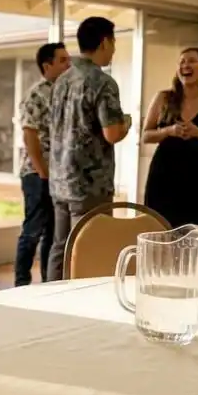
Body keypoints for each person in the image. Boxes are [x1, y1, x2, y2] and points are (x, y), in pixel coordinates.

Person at [45, 16, 131, 281]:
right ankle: (79, 305)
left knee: (60, 246)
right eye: (113, 42)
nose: (114, 49)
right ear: (104, 42)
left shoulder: (61, 80)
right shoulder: (103, 82)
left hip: (60, 179)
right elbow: (113, 133)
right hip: (89, 183)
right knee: (86, 248)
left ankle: (49, 299)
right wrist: (127, 121)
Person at [141, 47, 198, 228]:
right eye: (182, 62)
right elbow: (145, 135)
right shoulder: (163, 98)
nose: (186, 65)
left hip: (196, 175)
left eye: (192, 61)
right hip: (163, 172)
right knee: (157, 228)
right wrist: (168, 131)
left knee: (190, 233)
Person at [14, 42, 71, 286]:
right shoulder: (37, 94)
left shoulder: (67, 92)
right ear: (47, 66)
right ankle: (21, 284)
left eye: (69, 59)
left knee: (53, 233)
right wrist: (43, 172)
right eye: (63, 60)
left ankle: (49, 283)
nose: (69, 65)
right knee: (32, 232)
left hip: (59, 175)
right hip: (37, 175)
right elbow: (30, 135)